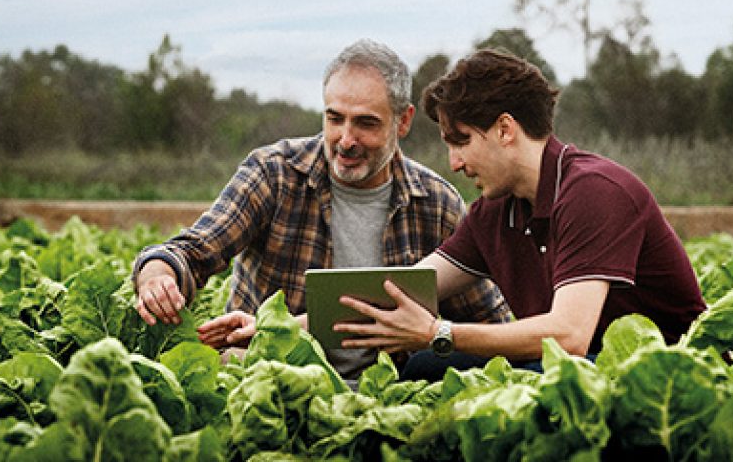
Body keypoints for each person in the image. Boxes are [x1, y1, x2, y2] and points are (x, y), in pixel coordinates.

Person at [131, 39, 510, 379]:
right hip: (270, 389)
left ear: (404, 121)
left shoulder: (437, 203)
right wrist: (156, 278)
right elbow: (191, 251)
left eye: (365, 123)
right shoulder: (274, 174)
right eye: (335, 118)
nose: (346, 140)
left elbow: (491, 323)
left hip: (392, 399)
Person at [336, 48, 707, 379]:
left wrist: (439, 333)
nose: (454, 163)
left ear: (504, 129)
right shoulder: (496, 210)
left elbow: (570, 335)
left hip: (665, 373)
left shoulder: (595, 192)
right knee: (425, 367)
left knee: (552, 372)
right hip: (575, 365)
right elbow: (400, 287)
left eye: (461, 141)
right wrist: (290, 327)